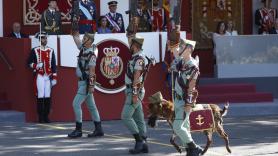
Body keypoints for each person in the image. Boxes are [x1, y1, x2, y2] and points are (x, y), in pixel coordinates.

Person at [67, 30, 104, 138]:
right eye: (83, 38)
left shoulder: (91, 54)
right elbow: (77, 40)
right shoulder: (83, 49)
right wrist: (74, 31)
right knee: (92, 107)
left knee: (76, 104)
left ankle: (78, 130)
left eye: (85, 39)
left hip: (86, 83)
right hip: (82, 82)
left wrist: (91, 86)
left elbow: (92, 71)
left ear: (90, 41)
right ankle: (99, 129)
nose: (82, 40)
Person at [170, 39, 203, 156]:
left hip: (184, 102)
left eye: (182, 46)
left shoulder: (193, 66)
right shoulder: (183, 62)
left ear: (189, 49)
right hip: (177, 100)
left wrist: (188, 105)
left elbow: (191, 88)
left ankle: (194, 147)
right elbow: (175, 55)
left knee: (177, 127)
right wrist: (174, 43)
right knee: (184, 126)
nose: (180, 48)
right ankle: (190, 151)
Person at [121, 35, 151, 154]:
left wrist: (134, 95)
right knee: (138, 118)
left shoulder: (139, 58)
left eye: (131, 44)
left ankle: (139, 141)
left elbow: (137, 78)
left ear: (136, 46)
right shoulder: (136, 57)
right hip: (133, 91)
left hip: (135, 91)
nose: (130, 46)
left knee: (126, 116)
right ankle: (144, 144)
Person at [27, 32, 57, 123]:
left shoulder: (51, 50)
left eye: (46, 38)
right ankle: (40, 116)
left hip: (48, 76)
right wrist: (36, 65)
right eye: (43, 38)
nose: (45, 40)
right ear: (40, 40)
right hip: (39, 76)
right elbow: (28, 63)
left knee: (47, 95)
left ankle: (46, 116)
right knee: (40, 95)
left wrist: (55, 78)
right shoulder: (35, 50)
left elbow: (53, 65)